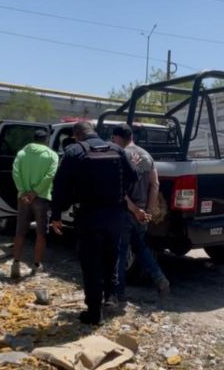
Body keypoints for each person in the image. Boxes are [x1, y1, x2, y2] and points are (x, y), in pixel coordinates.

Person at [50, 121, 137, 326]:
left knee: (91, 262)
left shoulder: (73, 151)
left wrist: (56, 215)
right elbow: (133, 176)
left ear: (76, 135)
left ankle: (94, 311)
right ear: (94, 132)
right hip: (115, 214)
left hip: (89, 215)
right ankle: (110, 297)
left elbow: (60, 186)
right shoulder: (116, 149)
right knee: (111, 256)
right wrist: (119, 193)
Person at [110, 124, 170, 304]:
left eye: (114, 139)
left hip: (125, 212)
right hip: (142, 213)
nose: (113, 142)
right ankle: (159, 278)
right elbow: (155, 184)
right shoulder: (147, 155)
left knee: (120, 253)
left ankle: (118, 294)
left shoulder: (120, 155)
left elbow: (119, 189)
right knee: (140, 248)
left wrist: (135, 210)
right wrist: (148, 211)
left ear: (118, 138)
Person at [11, 129, 59, 278]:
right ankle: (36, 265)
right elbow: (50, 175)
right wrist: (36, 192)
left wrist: (24, 191)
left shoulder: (21, 154)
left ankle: (16, 264)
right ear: (46, 140)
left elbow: (15, 172)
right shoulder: (52, 155)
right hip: (42, 197)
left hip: (23, 198)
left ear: (33, 139)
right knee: (41, 233)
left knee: (20, 231)